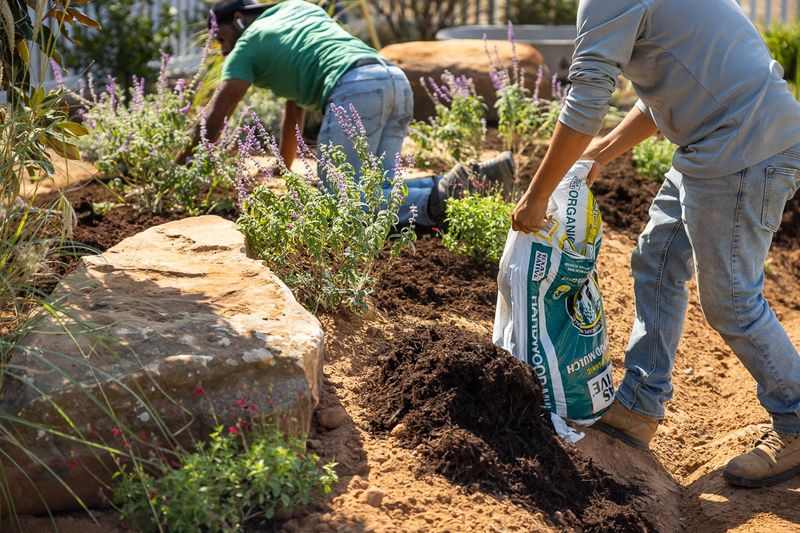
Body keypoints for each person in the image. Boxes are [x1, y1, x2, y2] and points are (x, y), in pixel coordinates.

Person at [511, 0, 800, 488]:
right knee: (657, 261)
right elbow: (671, 86)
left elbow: (587, 97)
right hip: (719, 139)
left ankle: (795, 419)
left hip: (744, 146)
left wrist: (538, 196)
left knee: (732, 300)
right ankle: (640, 405)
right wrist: (603, 152)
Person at [178, 0, 515, 227]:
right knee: (376, 191)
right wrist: (284, 167)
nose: (222, 48)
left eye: (221, 37)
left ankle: (439, 196)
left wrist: (178, 168)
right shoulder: (297, 9)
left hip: (355, 90)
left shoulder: (246, 47)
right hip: (393, 80)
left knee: (341, 202)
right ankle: (467, 181)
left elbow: (215, 117)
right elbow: (294, 109)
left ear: (238, 19)